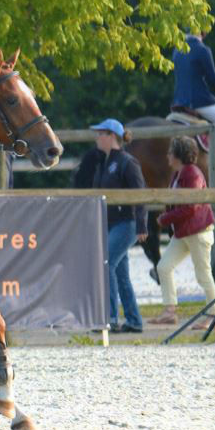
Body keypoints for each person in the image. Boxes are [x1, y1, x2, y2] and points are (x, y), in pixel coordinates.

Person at [148, 136, 215, 330]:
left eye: (170, 152)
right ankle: (169, 312)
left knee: (203, 275)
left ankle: (214, 316)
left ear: (178, 155)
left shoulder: (192, 174)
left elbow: (191, 207)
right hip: (184, 232)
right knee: (163, 267)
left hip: (198, 232)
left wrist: (165, 219)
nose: (167, 155)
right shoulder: (178, 174)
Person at [88, 119, 148, 333]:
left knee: (106, 264)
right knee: (120, 273)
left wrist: (141, 224)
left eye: (100, 133)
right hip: (113, 223)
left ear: (111, 136)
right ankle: (134, 321)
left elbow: (139, 194)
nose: (97, 138)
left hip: (127, 223)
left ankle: (110, 318)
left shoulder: (127, 162)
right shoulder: (106, 162)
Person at [171, 31, 215, 180]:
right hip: (199, 102)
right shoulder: (202, 49)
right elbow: (213, 78)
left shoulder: (177, 49)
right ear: (204, 32)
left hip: (178, 103)